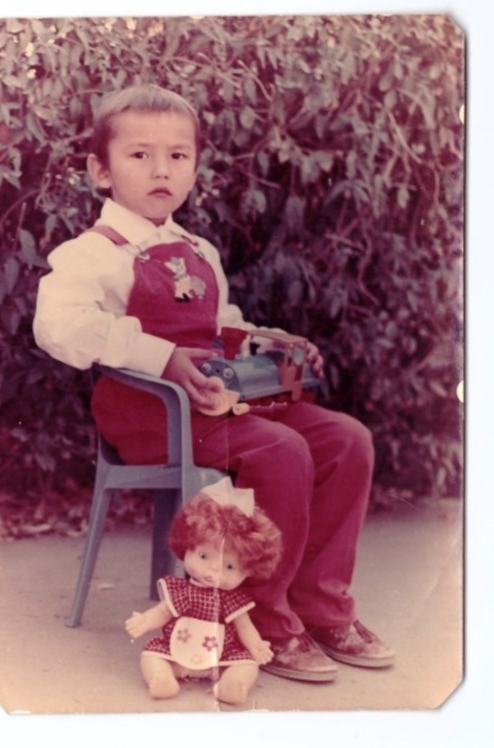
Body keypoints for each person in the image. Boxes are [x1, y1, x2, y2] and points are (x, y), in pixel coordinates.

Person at [33, 83, 395, 683]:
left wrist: (269, 342)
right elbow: (60, 327)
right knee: (282, 450)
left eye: (178, 156)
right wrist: (162, 357)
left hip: (219, 405)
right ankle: (270, 622)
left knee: (346, 438)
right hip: (151, 415)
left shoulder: (196, 249)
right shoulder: (90, 254)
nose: (161, 170)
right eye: (140, 154)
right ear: (101, 170)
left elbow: (218, 328)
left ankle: (322, 606)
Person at [124, 478, 283, 705]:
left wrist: (256, 645)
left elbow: (244, 627)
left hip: (222, 657)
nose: (212, 571)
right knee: (151, 656)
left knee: (247, 664)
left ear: (249, 570)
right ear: (187, 545)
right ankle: (163, 678)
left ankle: (231, 683)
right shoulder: (182, 591)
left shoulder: (233, 600)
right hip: (178, 652)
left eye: (229, 567)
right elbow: (164, 612)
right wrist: (146, 621)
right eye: (203, 556)